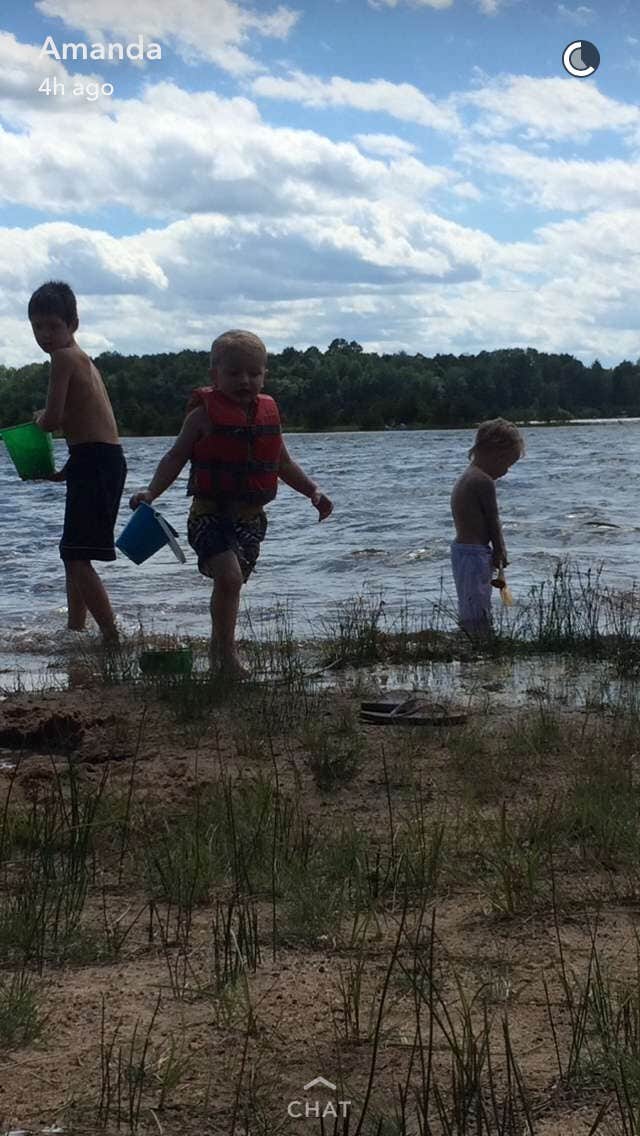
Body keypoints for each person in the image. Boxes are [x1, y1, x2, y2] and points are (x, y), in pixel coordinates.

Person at [129, 329, 333, 677]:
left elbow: (282, 463)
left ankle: (216, 648)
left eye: (254, 373)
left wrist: (313, 491)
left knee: (232, 581)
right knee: (229, 577)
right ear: (215, 375)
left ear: (264, 374)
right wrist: (151, 492)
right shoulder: (202, 416)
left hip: (251, 520)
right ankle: (225, 656)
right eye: (234, 373)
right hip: (209, 514)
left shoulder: (267, 413)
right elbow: (176, 457)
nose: (245, 380)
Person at [28, 281, 127, 644]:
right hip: (97, 458)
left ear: (73, 324)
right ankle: (75, 629)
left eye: (53, 326)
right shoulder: (84, 359)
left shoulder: (64, 358)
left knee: (74, 554)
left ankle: (111, 634)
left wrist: (38, 420)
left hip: (97, 461)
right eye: (37, 327)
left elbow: (53, 421)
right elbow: (87, 422)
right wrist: (68, 470)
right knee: (74, 550)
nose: (45, 335)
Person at [450, 417, 524, 636]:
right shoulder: (482, 481)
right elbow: (493, 519)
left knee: (470, 602)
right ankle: (479, 637)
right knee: (478, 604)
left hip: (463, 550)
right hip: (474, 553)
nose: (505, 472)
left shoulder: (467, 476)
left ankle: (472, 633)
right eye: (506, 463)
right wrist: (500, 549)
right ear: (492, 452)